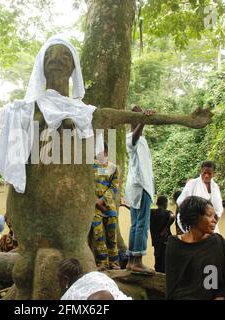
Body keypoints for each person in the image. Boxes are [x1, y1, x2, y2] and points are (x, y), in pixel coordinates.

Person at [165, 196, 225, 300]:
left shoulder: (217, 242)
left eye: (215, 216)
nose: (215, 220)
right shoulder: (174, 244)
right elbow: (172, 284)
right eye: (209, 215)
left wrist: (220, 296)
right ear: (194, 217)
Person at [124, 106, 156, 275]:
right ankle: (137, 261)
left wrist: (142, 118)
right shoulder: (131, 137)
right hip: (140, 186)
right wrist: (143, 119)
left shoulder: (143, 140)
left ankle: (131, 261)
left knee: (136, 224)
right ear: (132, 122)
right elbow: (135, 136)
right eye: (135, 119)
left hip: (140, 186)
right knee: (141, 224)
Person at [92, 143, 120, 271]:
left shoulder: (114, 168)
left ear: (107, 152)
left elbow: (114, 187)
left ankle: (114, 263)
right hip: (94, 208)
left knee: (112, 237)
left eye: (102, 151)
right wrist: (95, 201)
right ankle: (102, 262)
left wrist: (102, 200)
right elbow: (87, 186)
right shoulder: (90, 167)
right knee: (99, 236)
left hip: (110, 208)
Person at [176, 161, 224, 233]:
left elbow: (218, 209)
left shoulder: (215, 187)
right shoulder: (192, 183)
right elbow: (181, 202)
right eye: (204, 173)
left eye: (209, 173)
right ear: (201, 171)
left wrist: (212, 223)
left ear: (214, 174)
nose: (206, 176)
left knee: (216, 241)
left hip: (211, 224)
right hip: (194, 225)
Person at [57, 258, 131, 300]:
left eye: (59, 280)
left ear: (65, 279)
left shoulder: (68, 296)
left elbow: (104, 296)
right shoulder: (98, 275)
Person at [150, 195, 175, 273]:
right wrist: (166, 227)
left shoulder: (151, 212)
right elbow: (172, 216)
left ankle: (157, 272)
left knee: (157, 257)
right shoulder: (167, 213)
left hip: (156, 240)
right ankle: (164, 274)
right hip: (165, 239)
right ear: (165, 204)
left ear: (157, 203)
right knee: (165, 258)